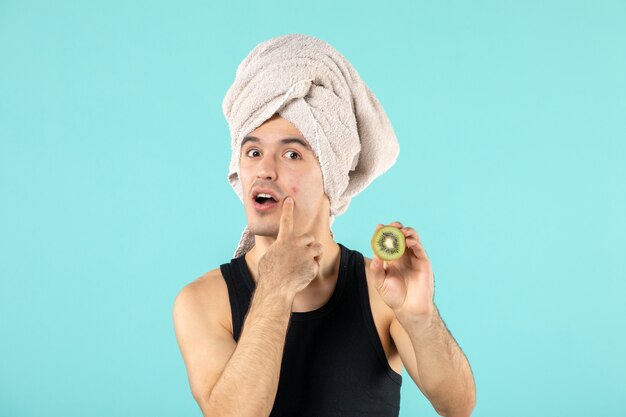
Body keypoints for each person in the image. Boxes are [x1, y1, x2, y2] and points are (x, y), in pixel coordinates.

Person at [173, 34, 476, 417]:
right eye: (252, 152)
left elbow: (458, 406)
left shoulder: (380, 289)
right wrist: (276, 289)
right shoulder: (202, 302)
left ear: (330, 177)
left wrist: (420, 314)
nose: (264, 169)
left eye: (291, 153)